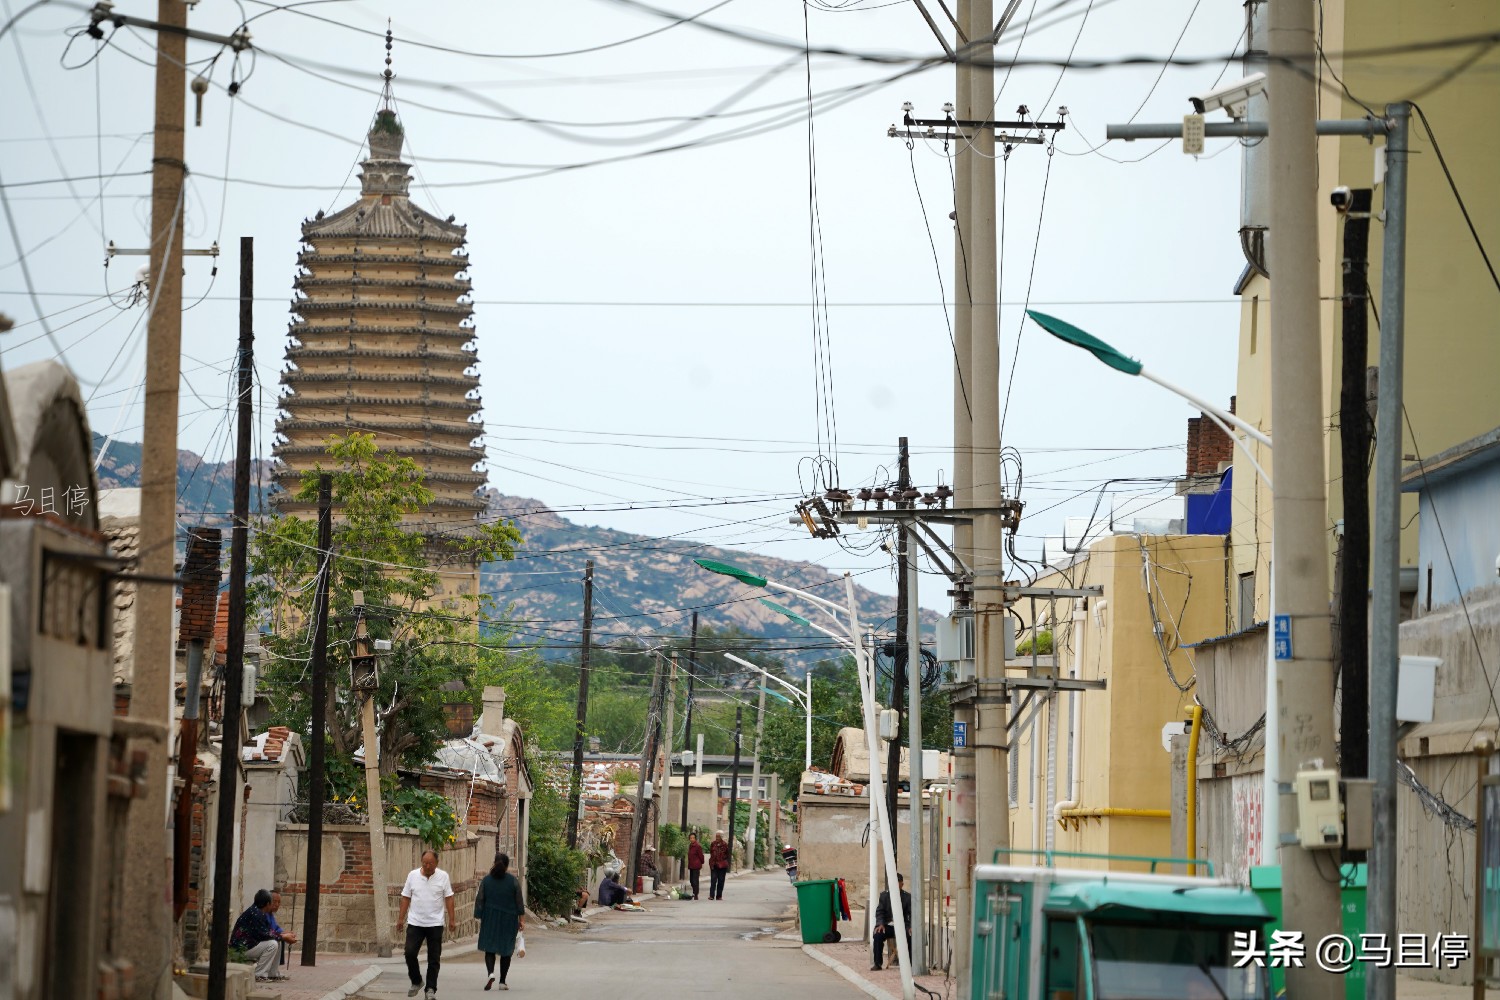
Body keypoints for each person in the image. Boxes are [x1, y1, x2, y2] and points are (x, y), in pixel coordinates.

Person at [397, 849, 456, 1000]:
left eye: (430, 863)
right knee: (409, 953)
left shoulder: (443, 877)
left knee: (434, 958)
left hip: (435, 923)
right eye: (424, 863)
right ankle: (416, 981)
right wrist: (400, 919)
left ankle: (430, 989)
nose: (427, 866)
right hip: (415, 922)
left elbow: (449, 898)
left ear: (437, 863)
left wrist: (452, 919)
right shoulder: (413, 875)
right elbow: (405, 898)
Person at [475, 852, 525, 992]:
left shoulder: (486, 880)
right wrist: (521, 920)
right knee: (506, 949)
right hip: (509, 919)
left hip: (490, 917)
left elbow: (480, 899)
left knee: (489, 947)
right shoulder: (513, 880)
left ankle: (491, 973)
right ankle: (502, 981)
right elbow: (519, 901)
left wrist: (479, 915)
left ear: (494, 862)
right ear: (507, 865)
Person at [229, 889, 291, 983]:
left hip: (249, 945)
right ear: (267, 904)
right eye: (272, 902)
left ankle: (272, 974)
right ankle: (259, 974)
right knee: (272, 944)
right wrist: (283, 937)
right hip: (241, 949)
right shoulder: (256, 914)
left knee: (277, 941)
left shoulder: (259, 912)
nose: (274, 905)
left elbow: (269, 931)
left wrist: (283, 936)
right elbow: (264, 934)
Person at [871, 873, 912, 972]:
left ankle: (911, 964)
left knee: (912, 936)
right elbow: (879, 911)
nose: (895, 884)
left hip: (903, 927)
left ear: (902, 884)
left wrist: (911, 926)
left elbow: (911, 914)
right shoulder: (884, 896)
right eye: (893, 882)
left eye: (898, 882)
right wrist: (880, 924)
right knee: (878, 934)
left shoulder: (907, 897)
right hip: (888, 926)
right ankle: (877, 963)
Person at [708, 830, 731, 900]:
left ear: (721, 837)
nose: (717, 838)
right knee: (713, 880)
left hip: (722, 866)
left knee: (721, 880)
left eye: (718, 836)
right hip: (714, 865)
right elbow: (711, 853)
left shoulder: (725, 844)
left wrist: (723, 860)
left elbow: (727, 854)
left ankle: (719, 896)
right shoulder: (713, 844)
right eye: (716, 836)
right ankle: (711, 895)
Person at [686, 832, 705, 900]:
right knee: (691, 880)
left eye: (693, 838)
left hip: (696, 865)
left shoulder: (698, 846)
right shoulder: (690, 846)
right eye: (691, 838)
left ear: (695, 839)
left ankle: (696, 894)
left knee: (695, 880)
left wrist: (701, 862)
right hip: (691, 865)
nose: (692, 839)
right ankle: (694, 892)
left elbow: (701, 856)